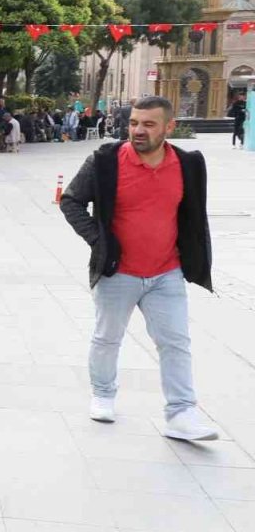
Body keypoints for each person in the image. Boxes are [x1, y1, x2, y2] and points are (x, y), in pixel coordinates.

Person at [59, 96, 218, 442]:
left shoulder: (187, 164)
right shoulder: (106, 161)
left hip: (166, 272)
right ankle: (103, 394)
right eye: (134, 123)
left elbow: (191, 213)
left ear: (169, 127)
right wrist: (99, 241)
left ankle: (181, 413)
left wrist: (191, 254)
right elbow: (70, 200)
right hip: (119, 272)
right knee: (107, 338)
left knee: (175, 342)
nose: (138, 130)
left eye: (148, 124)